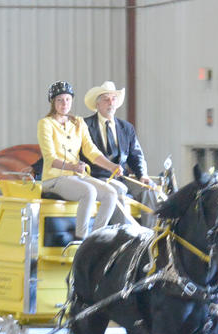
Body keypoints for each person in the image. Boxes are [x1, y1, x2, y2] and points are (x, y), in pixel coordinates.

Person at [37, 80, 138, 239]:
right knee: (88, 191)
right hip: (54, 178)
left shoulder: (78, 123)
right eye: (60, 100)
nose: (64, 103)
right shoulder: (46, 124)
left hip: (76, 177)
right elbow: (50, 159)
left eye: (68, 99)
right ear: (52, 102)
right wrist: (73, 167)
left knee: (110, 193)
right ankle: (81, 239)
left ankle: (96, 237)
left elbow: (91, 150)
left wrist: (111, 166)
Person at [78, 80, 156, 225]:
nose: (111, 103)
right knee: (118, 190)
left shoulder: (126, 128)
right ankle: (124, 237)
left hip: (121, 177)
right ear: (97, 104)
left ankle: (149, 236)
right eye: (106, 99)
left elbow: (136, 155)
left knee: (149, 188)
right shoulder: (84, 125)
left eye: (113, 99)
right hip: (96, 178)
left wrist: (142, 175)